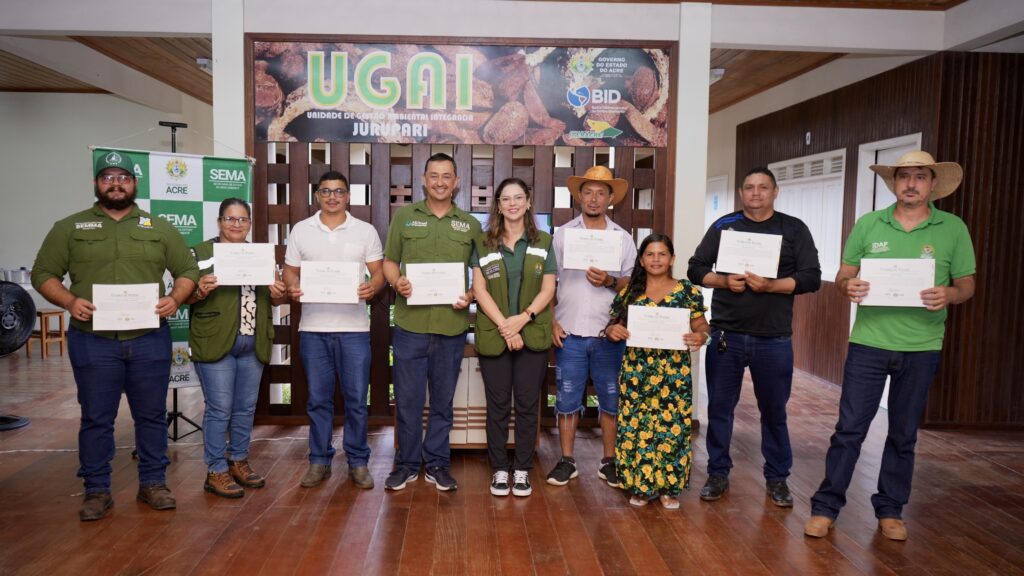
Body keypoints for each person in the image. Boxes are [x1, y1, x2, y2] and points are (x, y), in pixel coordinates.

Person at [804, 151, 975, 541]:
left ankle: (891, 509)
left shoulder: (953, 228)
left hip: (923, 345)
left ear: (932, 184)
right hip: (868, 343)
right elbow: (843, 276)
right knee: (849, 430)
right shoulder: (869, 224)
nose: (911, 183)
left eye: (919, 177)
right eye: (904, 176)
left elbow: (967, 286)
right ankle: (826, 507)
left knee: (903, 433)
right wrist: (851, 286)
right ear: (894, 183)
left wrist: (948, 293)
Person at [31, 151, 199, 521]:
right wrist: (70, 301)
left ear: (135, 183)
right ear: (96, 184)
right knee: (95, 417)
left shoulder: (159, 227)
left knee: (152, 415)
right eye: (108, 177)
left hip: (148, 338)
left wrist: (175, 297)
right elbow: (43, 273)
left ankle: (153, 484)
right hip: (93, 339)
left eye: (123, 177)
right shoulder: (69, 228)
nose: (116, 183)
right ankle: (96, 490)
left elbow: (187, 269)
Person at [687, 166, 821, 507]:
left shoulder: (793, 229)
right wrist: (721, 281)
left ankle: (778, 478)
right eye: (749, 187)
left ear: (775, 192)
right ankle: (718, 473)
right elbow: (695, 268)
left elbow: (811, 278)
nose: (756, 193)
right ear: (741, 193)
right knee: (720, 409)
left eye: (763, 187)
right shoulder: (723, 226)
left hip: (773, 339)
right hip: (725, 335)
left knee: (774, 411)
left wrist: (772, 286)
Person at [383, 153, 480, 492]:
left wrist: (470, 295)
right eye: (434, 175)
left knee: (442, 401)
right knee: (408, 400)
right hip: (410, 326)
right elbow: (390, 262)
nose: (440, 182)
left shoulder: (469, 224)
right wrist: (398, 283)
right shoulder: (405, 218)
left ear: (456, 182)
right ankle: (407, 463)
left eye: (447, 176)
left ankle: (437, 463)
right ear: (423, 179)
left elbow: (480, 276)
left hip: (451, 328)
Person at [283, 170, 384, 490]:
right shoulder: (301, 230)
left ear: (348, 196)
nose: (332, 197)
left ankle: (357, 461)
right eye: (326, 191)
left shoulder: (365, 231)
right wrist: (292, 286)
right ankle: (319, 460)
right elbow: (289, 273)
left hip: (354, 330)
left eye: (338, 191)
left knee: (356, 399)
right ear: (316, 195)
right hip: (313, 328)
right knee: (318, 400)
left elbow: (379, 273)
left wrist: (372, 288)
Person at [186, 198, 286, 498]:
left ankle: (238, 461)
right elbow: (182, 296)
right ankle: (216, 470)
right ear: (219, 222)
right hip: (216, 341)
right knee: (219, 410)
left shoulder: (260, 255)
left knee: (244, 409)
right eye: (230, 219)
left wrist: (278, 290)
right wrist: (199, 290)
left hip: (253, 342)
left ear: (250, 223)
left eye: (243, 219)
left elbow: (278, 298)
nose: (236, 224)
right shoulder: (201, 253)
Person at [603, 233, 709, 509]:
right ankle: (639, 486)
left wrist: (701, 337)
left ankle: (668, 489)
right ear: (641, 259)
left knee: (671, 430)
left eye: (662, 254)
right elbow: (611, 325)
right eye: (650, 254)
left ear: (672, 258)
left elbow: (702, 327)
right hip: (637, 372)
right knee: (635, 426)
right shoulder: (630, 292)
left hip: (673, 375)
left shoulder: (688, 291)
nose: (656, 259)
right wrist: (612, 330)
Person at [547, 165, 637, 488]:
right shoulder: (562, 235)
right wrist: (551, 321)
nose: (594, 198)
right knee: (567, 398)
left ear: (611, 198)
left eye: (601, 193)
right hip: (568, 332)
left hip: (607, 334)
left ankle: (609, 461)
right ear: (579, 196)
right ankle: (567, 460)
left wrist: (610, 280)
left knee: (611, 398)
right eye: (588, 192)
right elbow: (548, 282)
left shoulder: (623, 239)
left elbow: (633, 285)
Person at [471, 178, 557, 497]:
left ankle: (521, 469)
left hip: (531, 333)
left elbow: (548, 288)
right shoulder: (484, 242)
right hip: (495, 334)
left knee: (526, 404)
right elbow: (479, 289)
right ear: (498, 204)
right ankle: (498, 470)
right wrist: (506, 326)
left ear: (528, 202)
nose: (512, 203)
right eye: (505, 198)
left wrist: (521, 320)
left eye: (518, 197)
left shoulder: (543, 241)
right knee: (497, 406)